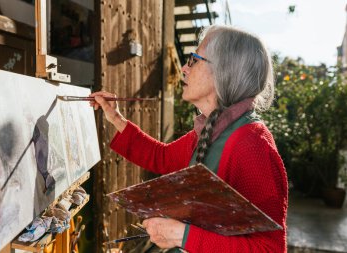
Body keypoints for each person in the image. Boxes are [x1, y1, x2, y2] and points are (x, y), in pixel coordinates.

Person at [89, 25, 288, 253]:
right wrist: (115, 117)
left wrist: (180, 235)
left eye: (194, 60)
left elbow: (269, 249)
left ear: (224, 71)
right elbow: (162, 157)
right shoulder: (212, 128)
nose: (184, 68)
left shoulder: (252, 145)